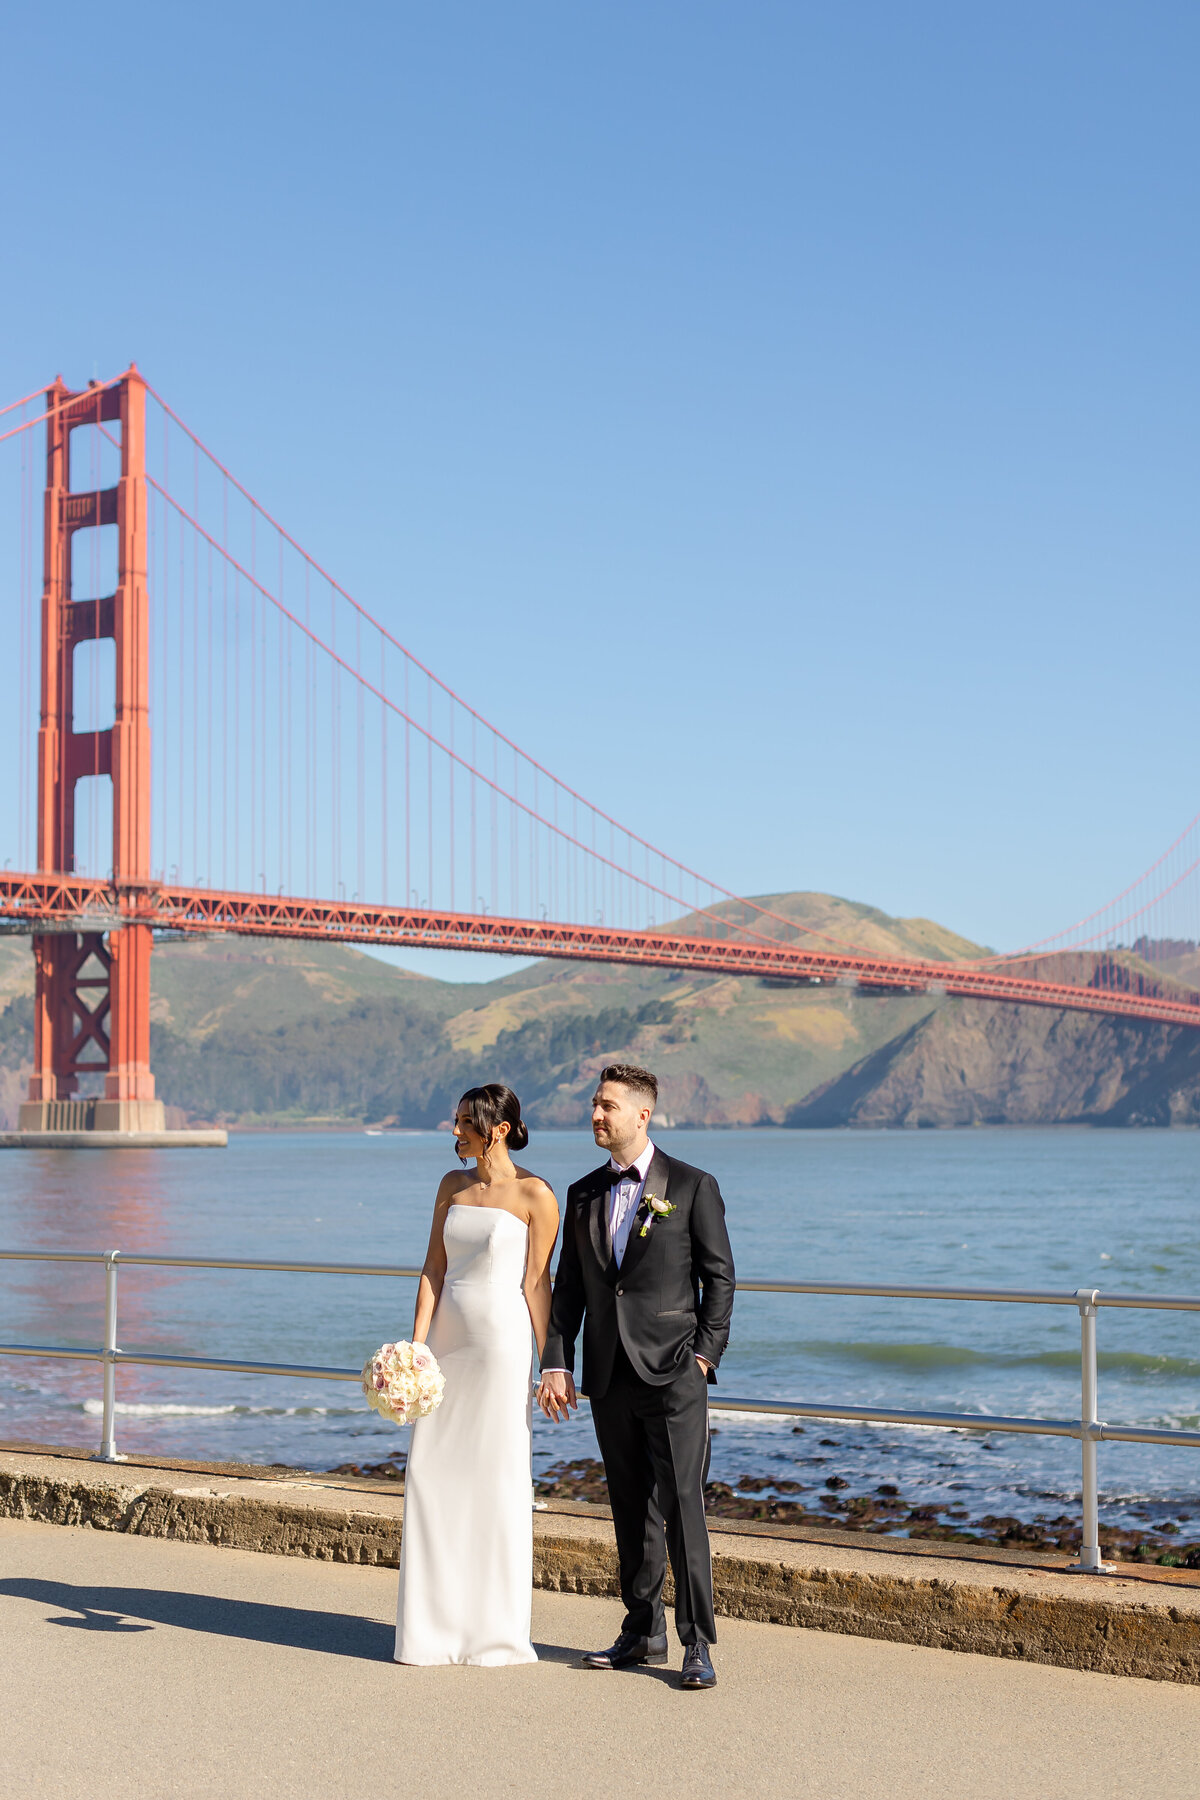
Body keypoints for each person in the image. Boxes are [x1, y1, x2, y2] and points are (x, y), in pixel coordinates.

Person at [537, 1064, 735, 1691]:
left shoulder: (693, 1185)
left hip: (677, 1373)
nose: (596, 1115)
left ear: (642, 1115)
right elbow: (568, 1289)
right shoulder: (582, 1192)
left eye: (607, 1106)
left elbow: (720, 1278)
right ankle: (641, 1627)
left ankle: (697, 1642)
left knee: (682, 1509)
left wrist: (704, 1355)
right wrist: (557, 1360)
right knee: (628, 1507)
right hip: (609, 1376)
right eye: (594, 1105)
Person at [394, 1083, 560, 1666]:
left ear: (498, 1128)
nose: (455, 1130)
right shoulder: (450, 1187)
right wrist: (416, 1348)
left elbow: (538, 1284)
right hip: (446, 1345)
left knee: (496, 1479)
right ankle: (429, 1631)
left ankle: (493, 1634)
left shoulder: (537, 1196)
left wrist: (554, 1364)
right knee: (430, 1476)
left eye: (465, 1121)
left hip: (502, 1347)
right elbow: (434, 1268)